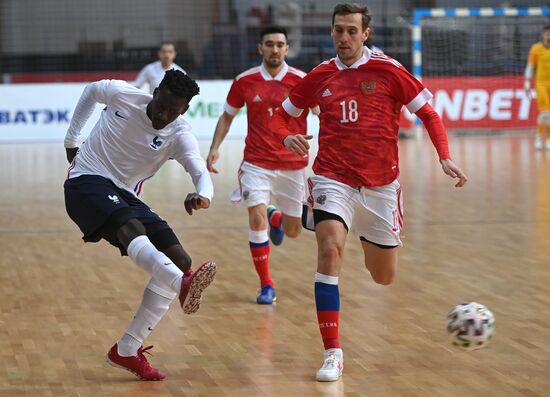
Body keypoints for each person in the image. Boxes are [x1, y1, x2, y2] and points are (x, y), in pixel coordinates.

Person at [271, 3, 468, 382]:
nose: (343, 38)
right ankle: (333, 352)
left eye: (351, 31)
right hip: (332, 178)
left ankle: (361, 233)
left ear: (365, 34)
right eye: (338, 30)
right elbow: (282, 113)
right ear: (331, 33)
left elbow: (428, 113)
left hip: (380, 186)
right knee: (329, 250)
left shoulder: (389, 70)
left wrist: (444, 157)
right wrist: (287, 134)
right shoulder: (320, 75)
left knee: (383, 277)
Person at [63, 70, 216, 380]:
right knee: (129, 227)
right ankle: (181, 284)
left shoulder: (179, 132)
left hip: (126, 193)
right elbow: (92, 90)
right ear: (155, 91)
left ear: (184, 110)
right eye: (162, 105)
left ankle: (127, 349)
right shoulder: (123, 94)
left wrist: (204, 195)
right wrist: (72, 139)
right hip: (85, 182)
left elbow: (199, 169)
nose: (164, 115)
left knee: (181, 259)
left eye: (173, 112)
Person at [206, 26, 316, 305]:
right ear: (260, 48)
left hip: (293, 166)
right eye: (269, 44)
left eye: (280, 44)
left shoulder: (302, 80)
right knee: (256, 221)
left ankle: (276, 217)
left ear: (287, 49)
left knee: (294, 231)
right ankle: (266, 284)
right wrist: (215, 148)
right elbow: (227, 117)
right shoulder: (245, 81)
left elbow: (323, 114)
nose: (275, 49)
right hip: (256, 163)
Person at [525, 25, 550, 150]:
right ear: (543, 35)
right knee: (545, 113)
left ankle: (549, 139)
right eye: (546, 33)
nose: (548, 36)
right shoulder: (536, 49)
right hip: (541, 84)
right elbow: (530, 66)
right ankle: (540, 137)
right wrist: (527, 83)